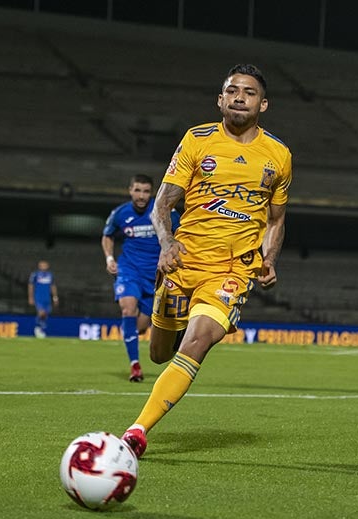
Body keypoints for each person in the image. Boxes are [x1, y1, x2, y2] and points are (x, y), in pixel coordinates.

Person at [119, 64, 292, 458]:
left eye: (248, 92)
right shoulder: (197, 140)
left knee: (198, 341)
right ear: (220, 99)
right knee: (160, 353)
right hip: (183, 264)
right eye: (232, 90)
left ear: (262, 104)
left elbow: (277, 219)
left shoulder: (279, 156)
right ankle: (175, 323)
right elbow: (163, 204)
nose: (239, 97)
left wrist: (270, 257)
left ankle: (136, 432)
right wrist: (166, 243)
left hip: (233, 269)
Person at [101, 174, 181, 382]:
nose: (141, 195)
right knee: (128, 309)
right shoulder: (120, 213)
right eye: (137, 190)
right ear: (130, 190)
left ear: (152, 192)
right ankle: (135, 366)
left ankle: (131, 337)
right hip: (129, 270)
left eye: (146, 191)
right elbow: (107, 235)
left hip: (155, 276)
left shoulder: (163, 211)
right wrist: (110, 258)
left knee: (142, 327)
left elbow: (182, 232)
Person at [28, 260, 58, 338]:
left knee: (45, 314)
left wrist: (55, 297)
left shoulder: (50, 275)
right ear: (39, 266)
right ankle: (37, 328)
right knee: (41, 313)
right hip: (38, 297)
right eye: (42, 265)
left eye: (45, 265)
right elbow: (31, 286)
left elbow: (53, 286)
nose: (43, 266)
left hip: (47, 298)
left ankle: (40, 327)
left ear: (47, 266)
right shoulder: (35, 275)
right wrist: (31, 297)